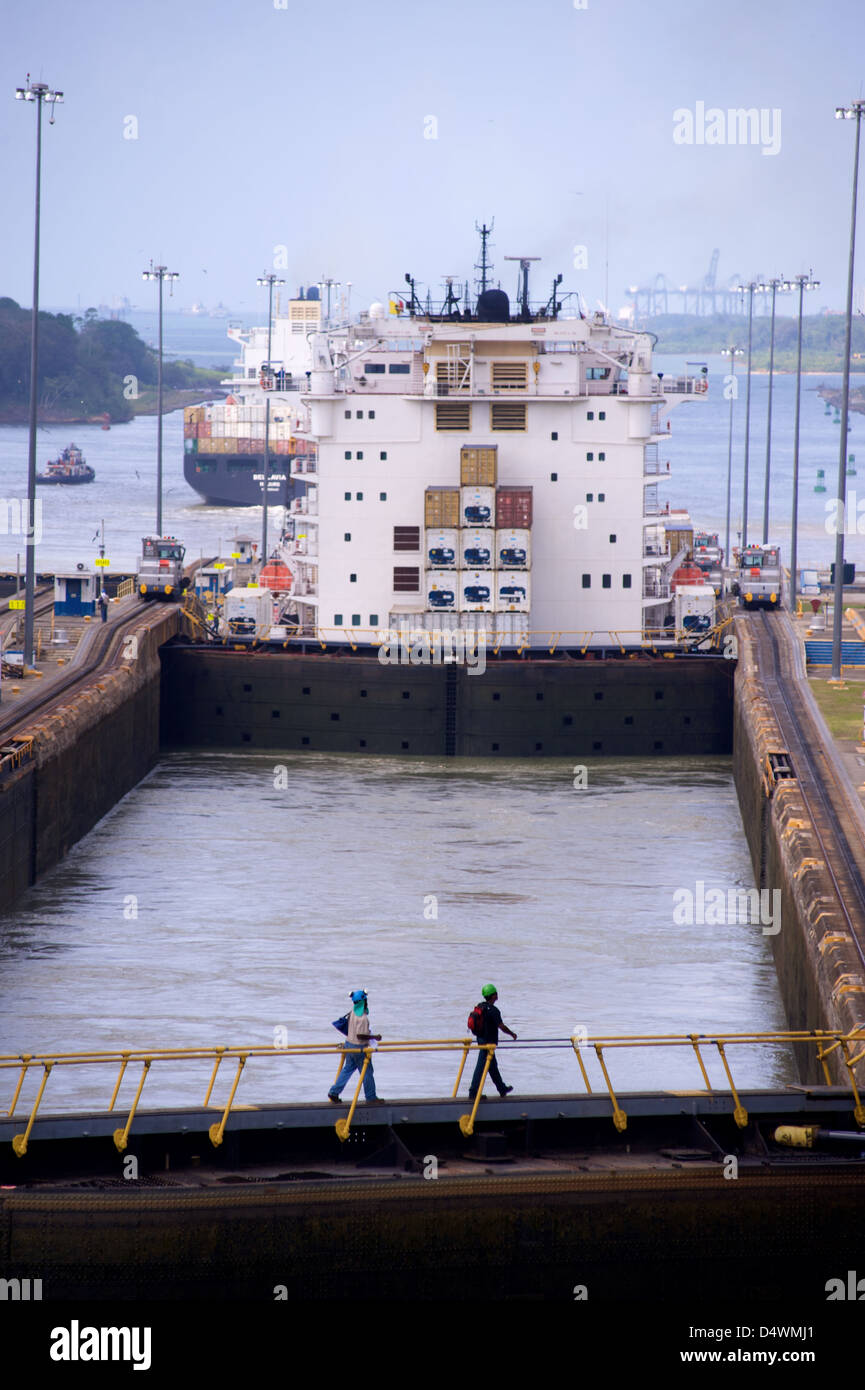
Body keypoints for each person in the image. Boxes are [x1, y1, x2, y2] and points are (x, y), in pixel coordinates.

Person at [328, 989, 384, 1105]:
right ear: (364, 1002)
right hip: (359, 1048)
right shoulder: (363, 1018)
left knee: (347, 1069)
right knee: (367, 1072)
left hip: (349, 1045)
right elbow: (360, 1035)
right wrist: (375, 1037)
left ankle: (334, 1092)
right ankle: (371, 1097)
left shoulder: (353, 1012)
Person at [468, 984, 517, 1100]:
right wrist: (512, 1034)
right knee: (481, 1066)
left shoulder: (480, 1007)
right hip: (488, 1043)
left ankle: (501, 1088)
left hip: (480, 1040)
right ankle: (473, 1092)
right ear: (494, 995)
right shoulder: (493, 1010)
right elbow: (501, 1026)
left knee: (492, 1066)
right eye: (496, 993)